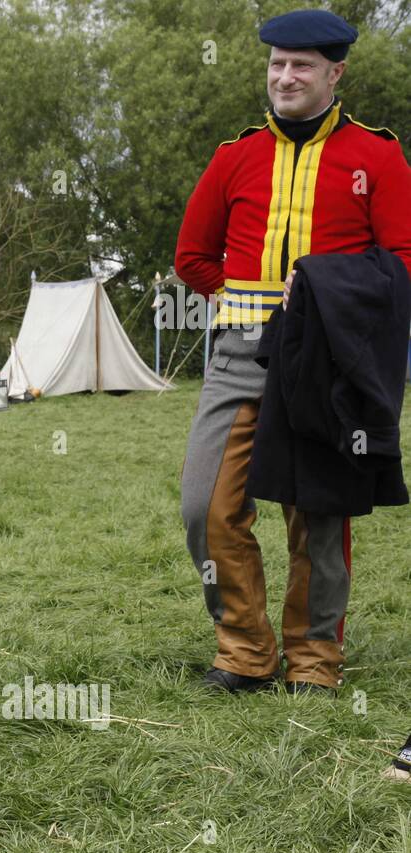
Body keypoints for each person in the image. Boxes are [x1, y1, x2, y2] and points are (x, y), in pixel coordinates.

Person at [175, 9, 411, 695]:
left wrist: (324, 294)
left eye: (301, 65)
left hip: (328, 363)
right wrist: (244, 303)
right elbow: (192, 256)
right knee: (206, 507)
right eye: (277, 64)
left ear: (334, 73)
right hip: (239, 355)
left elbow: (401, 261)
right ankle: (246, 650)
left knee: (321, 512)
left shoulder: (379, 155)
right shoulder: (234, 155)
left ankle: (314, 660)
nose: (285, 76)